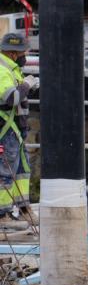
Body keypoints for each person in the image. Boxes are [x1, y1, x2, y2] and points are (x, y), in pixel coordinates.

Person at [0, 33, 38, 228]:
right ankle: (2, 215)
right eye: (23, 52)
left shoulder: (11, 68)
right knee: (5, 173)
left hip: (15, 130)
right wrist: (25, 85)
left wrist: (26, 86)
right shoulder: (1, 69)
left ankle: (24, 209)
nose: (26, 56)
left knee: (22, 171)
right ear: (13, 53)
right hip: (5, 131)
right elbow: (10, 99)